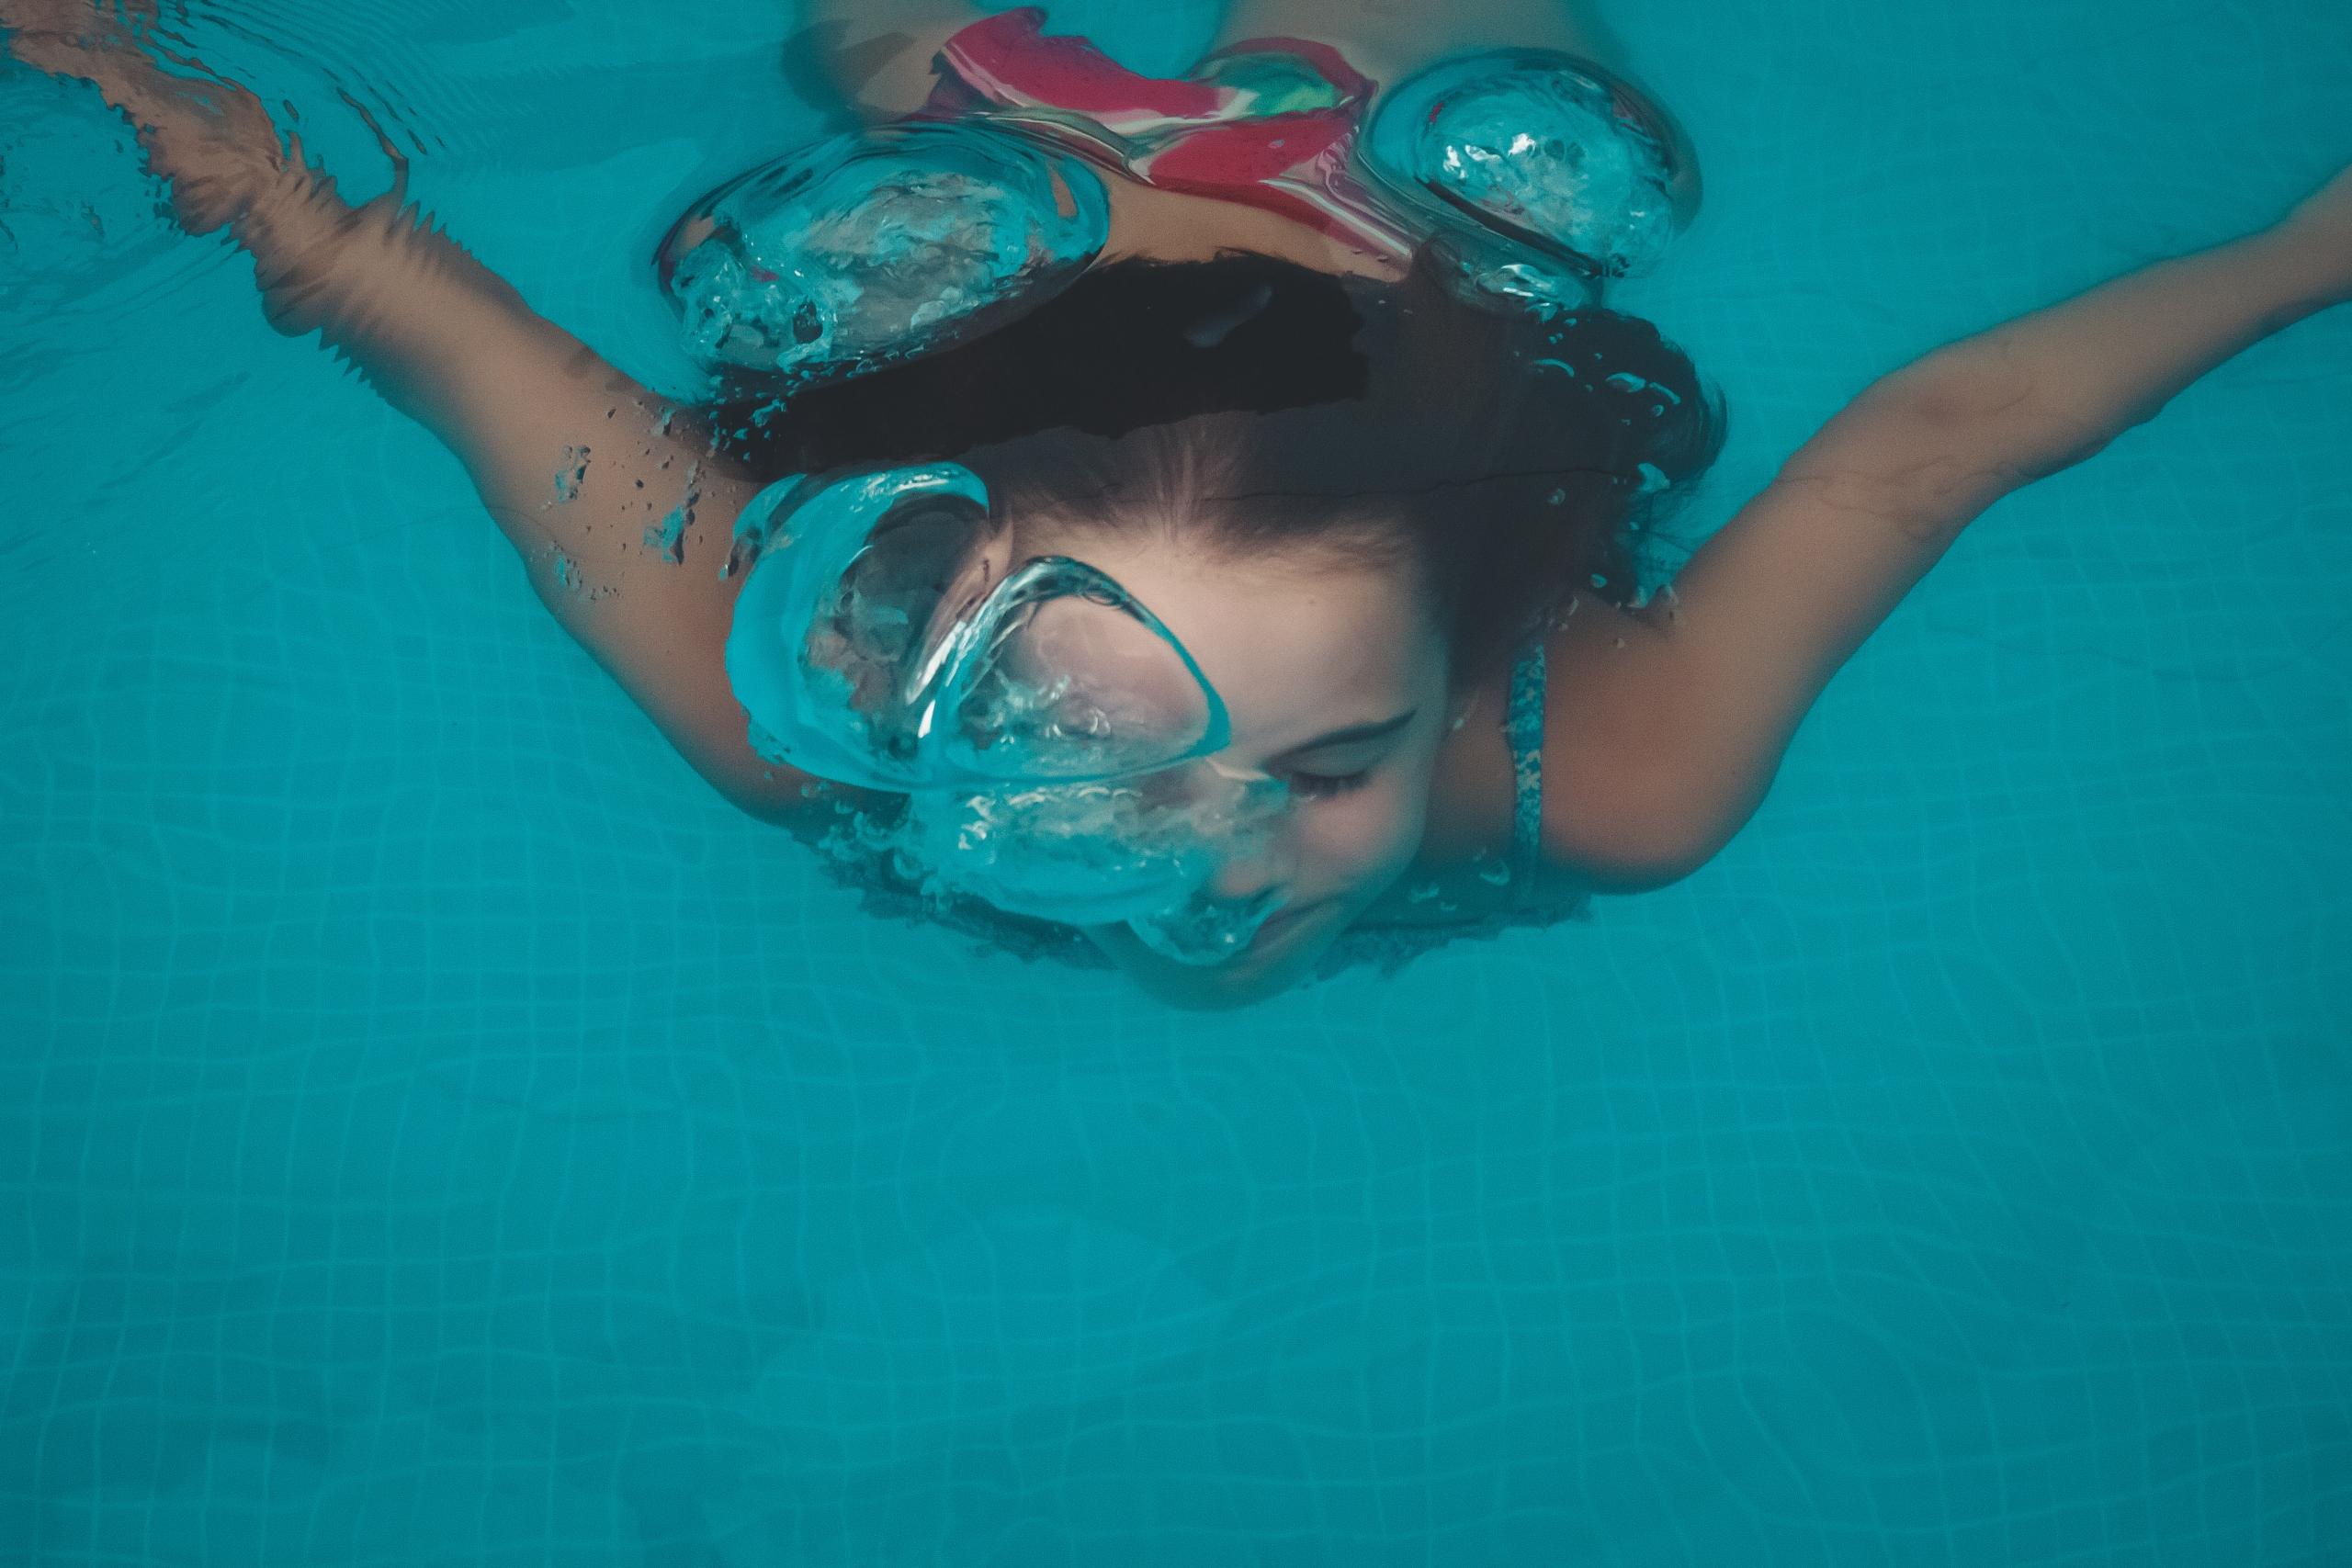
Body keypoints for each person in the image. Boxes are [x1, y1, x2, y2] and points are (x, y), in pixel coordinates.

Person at [6, 0, 2346, 1010]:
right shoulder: (838, 682)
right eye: (1120, 749)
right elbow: (395, 303)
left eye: (1332, 762)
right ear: (930, 630)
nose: (1229, 851)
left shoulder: (1605, 751)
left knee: (889, 95)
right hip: (1087, 228)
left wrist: (2301, 248)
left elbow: (394, 296)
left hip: (1323, 194)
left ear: (1471, 662)